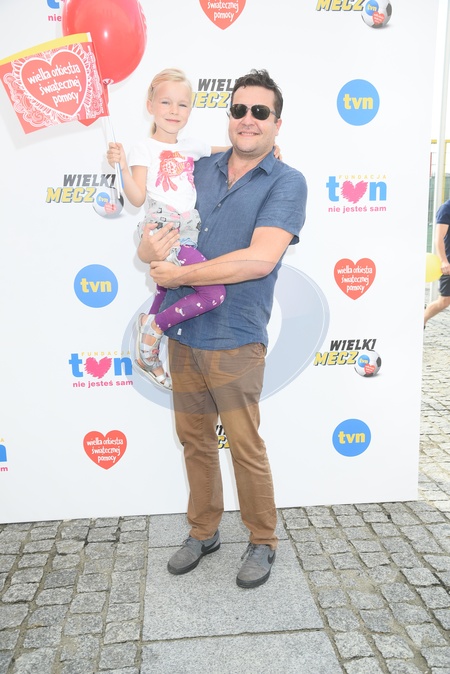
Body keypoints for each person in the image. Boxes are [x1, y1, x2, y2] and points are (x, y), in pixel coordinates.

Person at [138, 69, 307, 589]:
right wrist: (147, 250)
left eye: (260, 112)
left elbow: (259, 259)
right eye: (239, 110)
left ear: (277, 123)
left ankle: (262, 540)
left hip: (235, 336)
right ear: (229, 116)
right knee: (194, 441)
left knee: (244, 445)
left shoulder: (286, 181)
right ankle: (203, 531)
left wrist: (181, 276)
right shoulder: (196, 168)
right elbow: (154, 228)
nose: (248, 119)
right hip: (183, 334)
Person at [107, 68, 228, 390]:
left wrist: (267, 151)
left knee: (164, 289)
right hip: (162, 226)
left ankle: (148, 342)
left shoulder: (193, 146)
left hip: (189, 226)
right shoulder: (143, 148)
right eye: (165, 102)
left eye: (182, 104)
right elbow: (136, 198)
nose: (174, 110)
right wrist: (121, 167)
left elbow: (228, 152)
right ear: (150, 106)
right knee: (214, 292)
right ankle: (154, 330)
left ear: (190, 109)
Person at [424, 198, 450, 327]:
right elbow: (438, 238)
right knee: (444, 301)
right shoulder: (446, 209)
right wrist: (444, 261)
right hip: (448, 263)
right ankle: (421, 321)